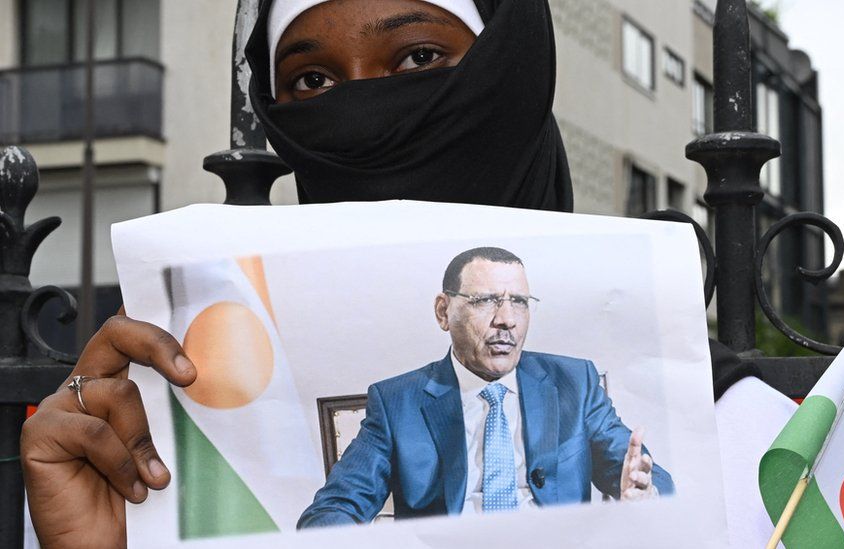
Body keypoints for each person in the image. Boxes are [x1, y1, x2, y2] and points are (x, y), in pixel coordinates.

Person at [19, 0, 774, 546]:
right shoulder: (392, 404)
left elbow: (653, 477)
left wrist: (651, 505)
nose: (362, 107)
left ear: (510, 71)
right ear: (445, 311)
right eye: (312, 81)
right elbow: (332, 509)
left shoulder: (713, 422)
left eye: (417, 58)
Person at [299, 247, 674, 527]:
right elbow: (334, 509)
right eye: (485, 301)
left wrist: (646, 493)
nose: (507, 320)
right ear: (444, 312)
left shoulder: (574, 384)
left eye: (520, 303)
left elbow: (644, 478)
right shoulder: (399, 401)